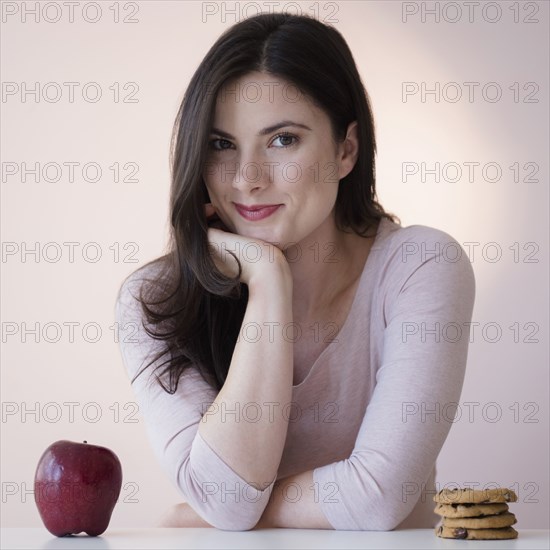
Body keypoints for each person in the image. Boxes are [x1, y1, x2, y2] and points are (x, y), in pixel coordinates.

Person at [115, 12, 475, 531]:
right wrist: (266, 281)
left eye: (282, 139)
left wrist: (228, 511)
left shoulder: (421, 266)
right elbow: (226, 501)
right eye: (221, 144)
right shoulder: (155, 299)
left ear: (345, 150)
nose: (247, 178)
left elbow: (377, 498)